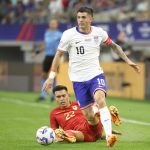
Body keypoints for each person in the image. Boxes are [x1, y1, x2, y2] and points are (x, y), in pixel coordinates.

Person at [42, 7, 140, 147]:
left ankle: (109, 136)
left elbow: (114, 46)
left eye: (83, 17)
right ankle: (100, 115)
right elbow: (58, 55)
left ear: (90, 19)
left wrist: (128, 60)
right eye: (79, 17)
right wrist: (51, 76)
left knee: (100, 99)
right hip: (78, 80)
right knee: (89, 117)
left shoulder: (99, 33)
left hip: (95, 75)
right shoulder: (68, 34)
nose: (81, 20)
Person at [50, 85, 122, 143]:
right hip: (81, 134)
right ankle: (66, 136)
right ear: (55, 98)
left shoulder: (79, 103)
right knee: (69, 133)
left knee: (92, 112)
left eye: (63, 96)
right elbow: (54, 130)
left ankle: (109, 117)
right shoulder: (54, 113)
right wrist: (57, 137)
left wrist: (109, 129)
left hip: (91, 125)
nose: (62, 99)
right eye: (58, 97)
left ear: (68, 95)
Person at [32, 18, 62, 101]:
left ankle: (53, 95)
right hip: (47, 56)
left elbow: (63, 46)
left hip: (55, 57)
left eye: (54, 23)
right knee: (44, 75)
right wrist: (36, 52)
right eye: (51, 23)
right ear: (49, 24)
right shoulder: (47, 34)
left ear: (57, 25)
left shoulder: (60, 34)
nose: (52, 25)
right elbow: (45, 45)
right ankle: (43, 95)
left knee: (53, 76)